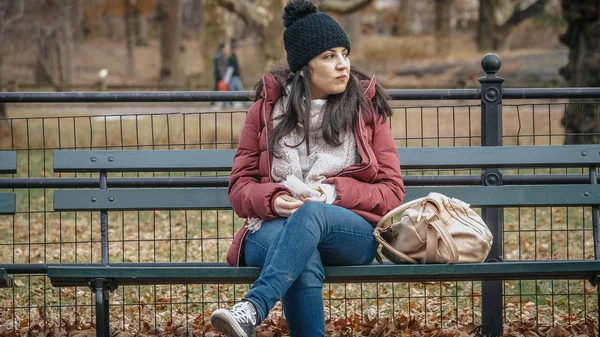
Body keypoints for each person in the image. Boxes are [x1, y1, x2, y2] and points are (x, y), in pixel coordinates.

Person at [210, 1, 405, 336]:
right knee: (303, 255)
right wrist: (272, 200)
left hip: (349, 232)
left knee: (310, 213)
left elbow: (391, 193)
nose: (343, 65)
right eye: (329, 57)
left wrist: (330, 193)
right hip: (270, 229)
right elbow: (240, 188)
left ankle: (252, 308)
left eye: (344, 53)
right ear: (303, 67)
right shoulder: (265, 112)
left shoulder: (366, 110)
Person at [227, 38, 248, 108]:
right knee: (239, 90)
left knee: (232, 91)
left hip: (235, 76)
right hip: (234, 77)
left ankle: (228, 104)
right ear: (235, 49)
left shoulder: (233, 57)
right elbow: (230, 69)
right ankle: (244, 103)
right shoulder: (232, 58)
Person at [213, 42, 229, 107]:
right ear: (223, 48)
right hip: (220, 77)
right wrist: (223, 78)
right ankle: (217, 104)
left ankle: (215, 103)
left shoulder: (219, 55)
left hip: (218, 76)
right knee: (219, 90)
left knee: (217, 89)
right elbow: (220, 68)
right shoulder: (220, 56)